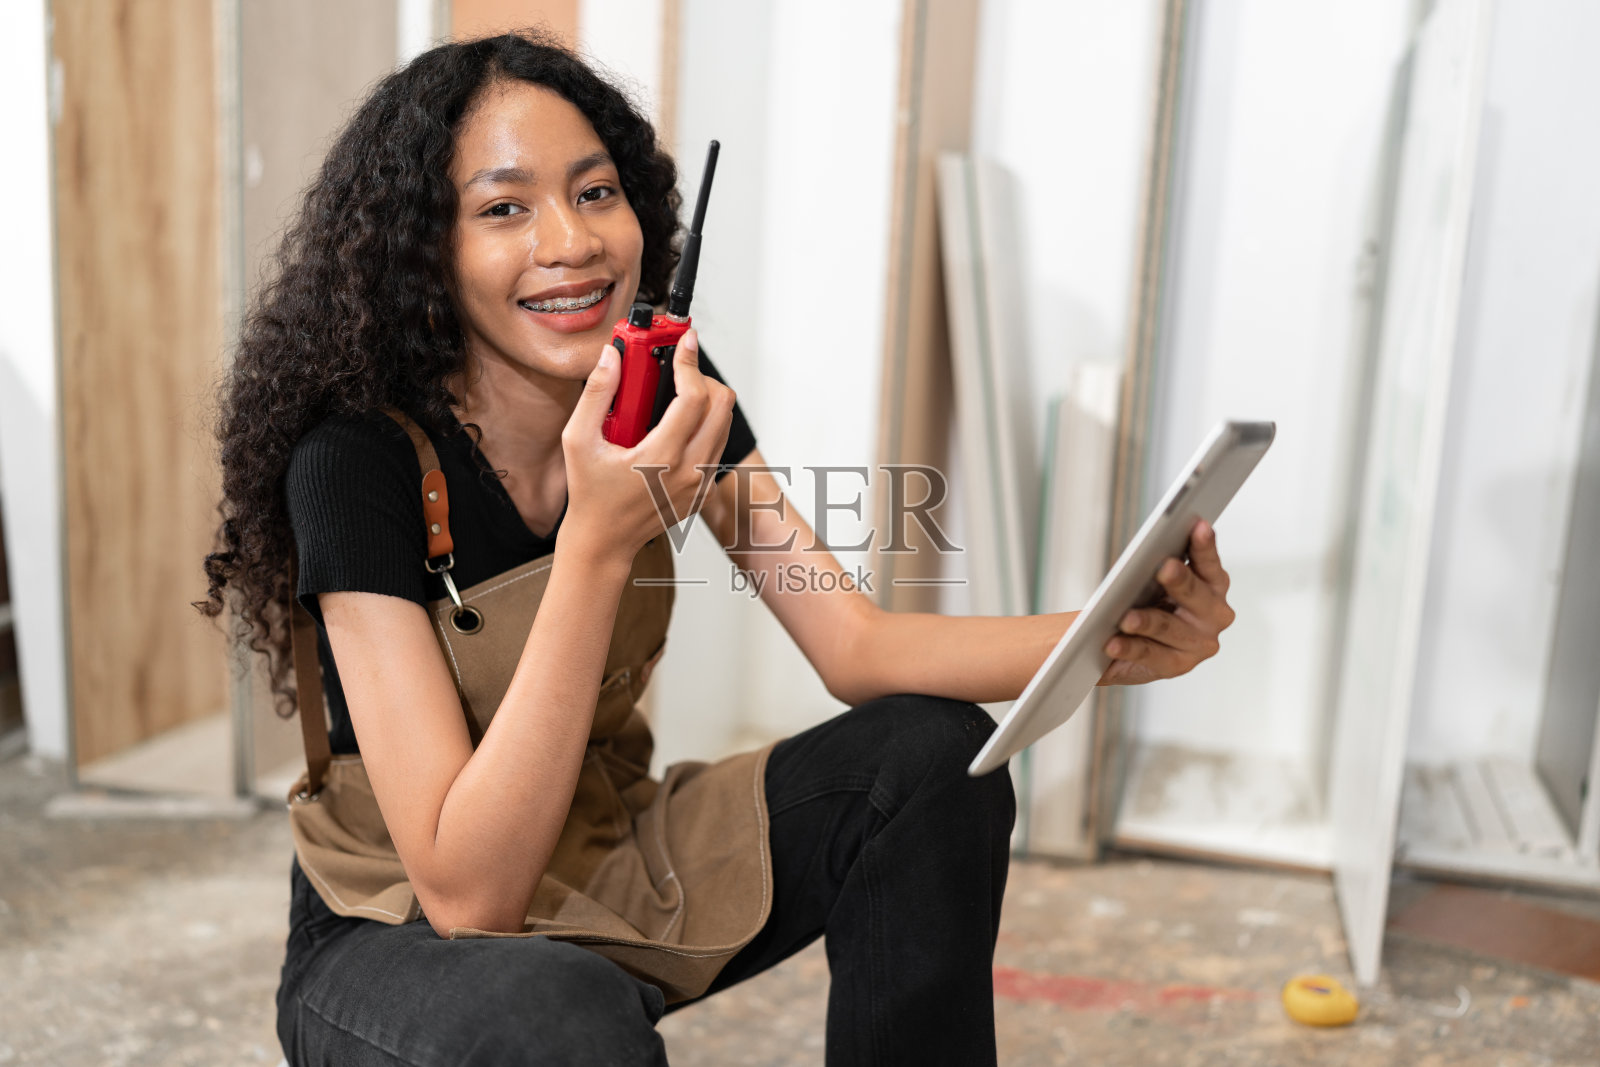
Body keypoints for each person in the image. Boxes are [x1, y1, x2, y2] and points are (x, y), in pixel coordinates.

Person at [197, 30, 1236, 1067]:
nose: (571, 241)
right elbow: (469, 891)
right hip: (400, 922)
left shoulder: (669, 395)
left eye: (596, 192)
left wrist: (1115, 631)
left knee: (928, 760)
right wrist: (598, 548)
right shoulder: (355, 461)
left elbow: (856, 646)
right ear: (423, 251)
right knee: (552, 1012)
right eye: (504, 208)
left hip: (603, 853)